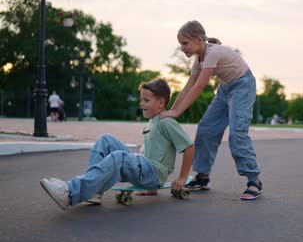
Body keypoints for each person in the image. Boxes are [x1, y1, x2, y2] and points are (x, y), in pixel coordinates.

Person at [40, 79, 194, 210]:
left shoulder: (166, 121)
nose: (141, 104)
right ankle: (94, 192)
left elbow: (189, 147)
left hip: (152, 172)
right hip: (144, 169)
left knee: (118, 157)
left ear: (161, 103)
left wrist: (181, 178)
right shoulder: (152, 121)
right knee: (106, 140)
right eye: (141, 100)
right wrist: (151, 188)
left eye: (146, 100)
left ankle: (70, 193)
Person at [160, 20, 262, 200]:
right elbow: (188, 87)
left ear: (199, 39)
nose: (182, 48)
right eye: (180, 44)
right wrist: (171, 112)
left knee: (237, 133)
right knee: (207, 128)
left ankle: (254, 180)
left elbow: (198, 87)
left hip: (243, 86)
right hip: (226, 88)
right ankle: (203, 176)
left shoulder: (212, 53)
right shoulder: (199, 61)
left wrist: (176, 113)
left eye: (185, 43)